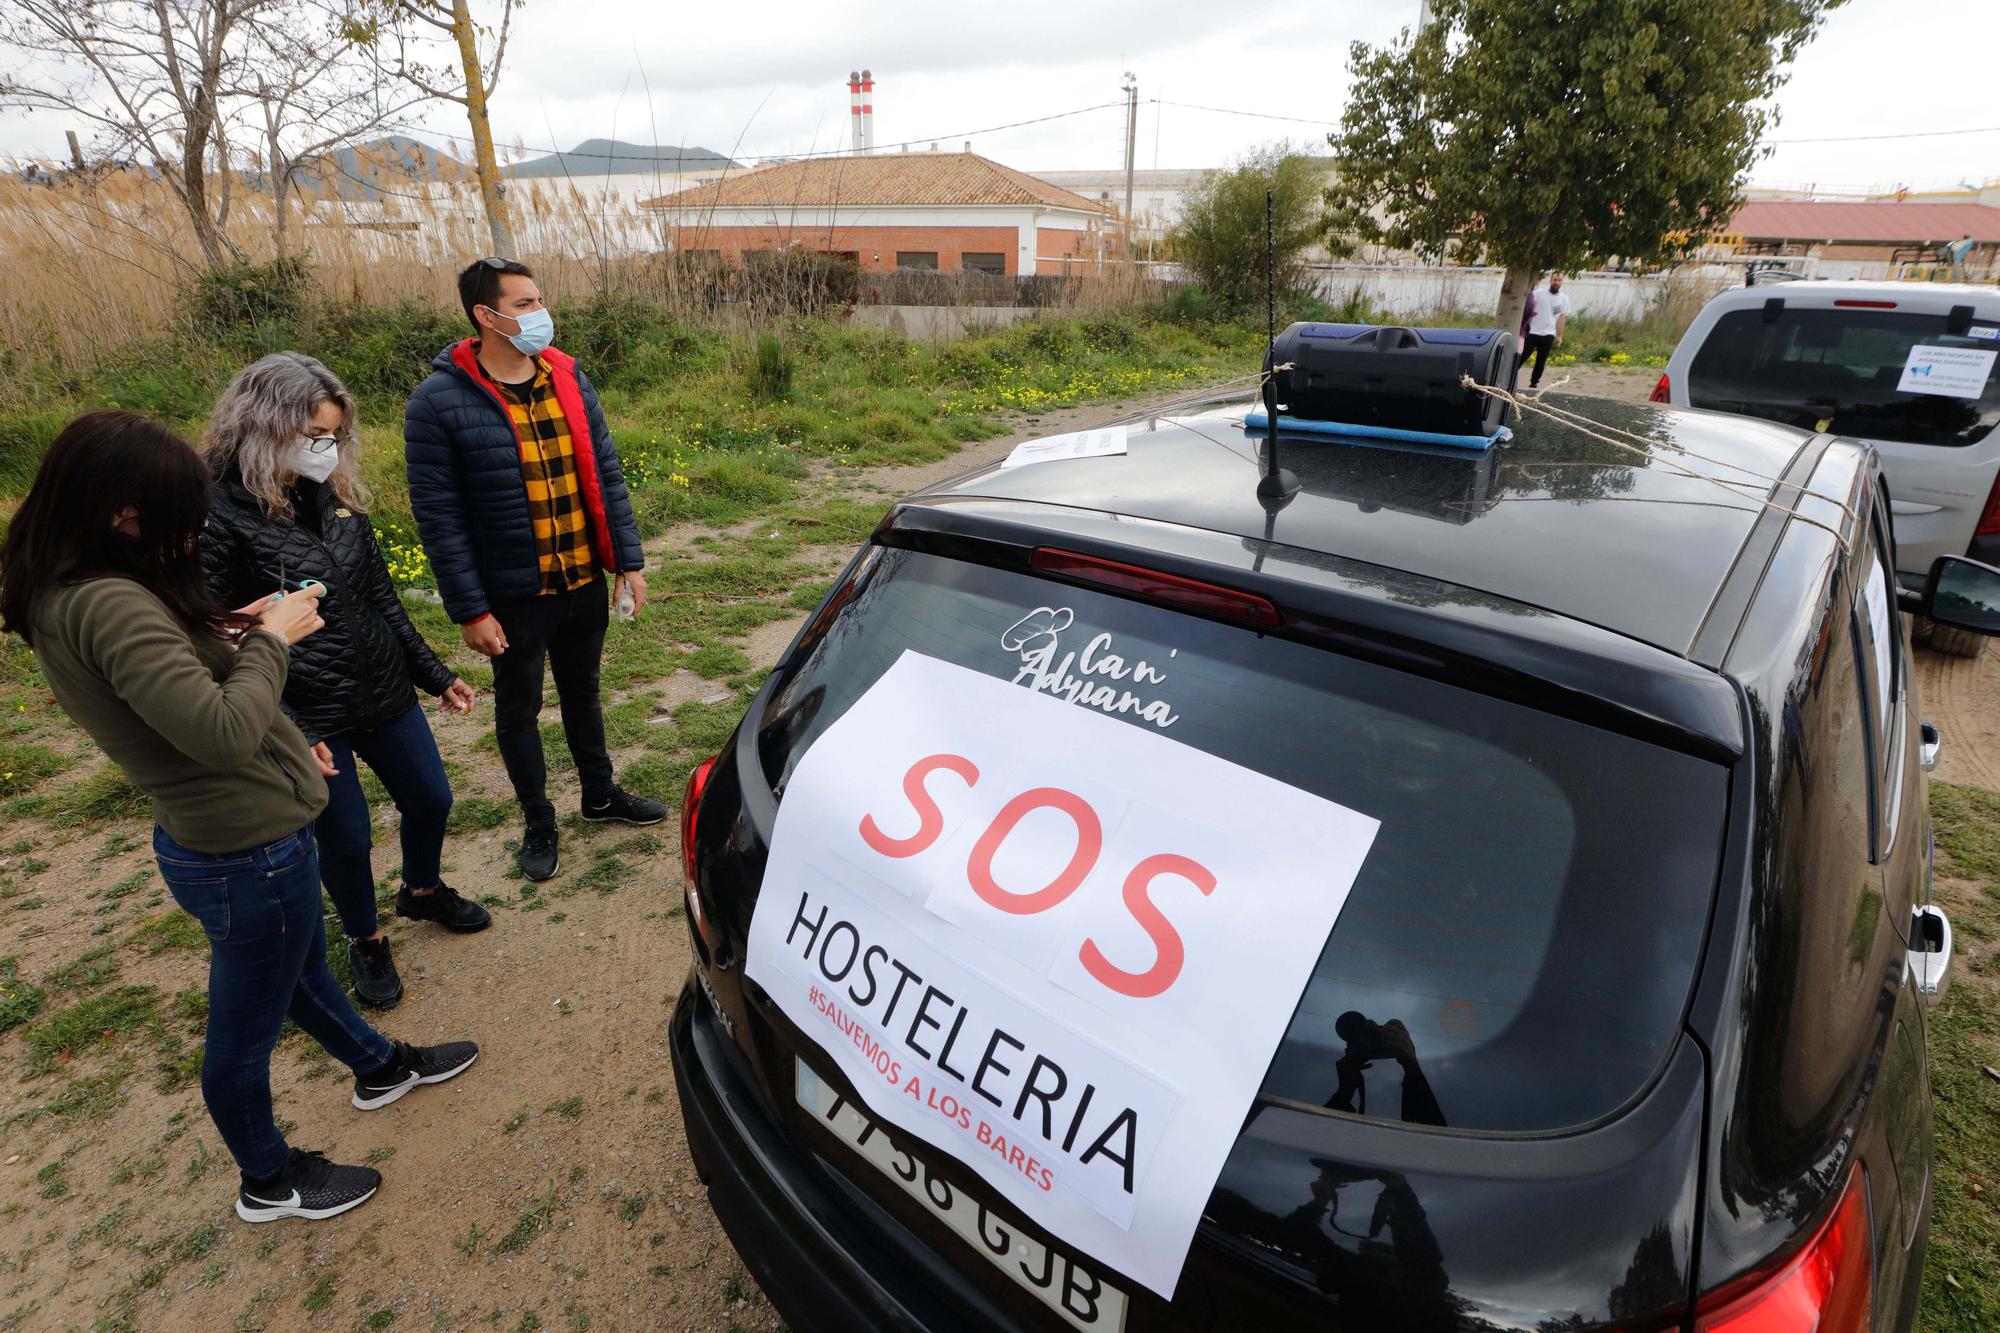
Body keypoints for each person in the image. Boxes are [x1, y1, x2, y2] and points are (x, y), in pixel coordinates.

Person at [0, 411, 480, 1225]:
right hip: (242, 847)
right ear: (123, 512)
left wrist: (237, 629)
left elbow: (170, 686)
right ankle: (269, 1178)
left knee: (298, 973)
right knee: (244, 1024)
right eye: (178, 518)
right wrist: (277, 641)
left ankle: (378, 1065)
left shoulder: (72, 585)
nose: (189, 536)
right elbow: (221, 731)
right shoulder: (109, 602)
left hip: (234, 837)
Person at [201, 353, 489, 1011]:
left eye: (332, 437)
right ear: (265, 428)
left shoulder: (336, 497)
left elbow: (382, 598)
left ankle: (421, 890)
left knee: (431, 800)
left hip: (381, 686)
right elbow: (214, 637)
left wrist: (434, 675)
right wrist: (291, 730)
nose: (325, 451)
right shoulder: (220, 512)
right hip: (306, 707)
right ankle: (366, 937)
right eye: (313, 438)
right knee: (347, 836)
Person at [405, 257, 665, 882]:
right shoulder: (438, 402)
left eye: (537, 301)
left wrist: (627, 562)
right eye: (523, 304)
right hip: (514, 594)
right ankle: (538, 820)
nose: (538, 313)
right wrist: (469, 608)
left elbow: (607, 474)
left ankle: (599, 795)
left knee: (585, 693)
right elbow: (440, 519)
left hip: (582, 578)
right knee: (519, 708)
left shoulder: (568, 378)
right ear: (485, 315)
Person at [1523, 270, 1573, 389]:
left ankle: (1534, 383)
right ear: (1551, 280)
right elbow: (1528, 308)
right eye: (1555, 279)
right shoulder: (1538, 294)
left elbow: (1562, 318)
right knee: (1523, 355)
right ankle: (1512, 375)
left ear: (1562, 282)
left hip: (1549, 333)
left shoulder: (1563, 298)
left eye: (1559, 280)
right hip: (1534, 331)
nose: (1556, 282)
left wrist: (1559, 336)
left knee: (1541, 360)